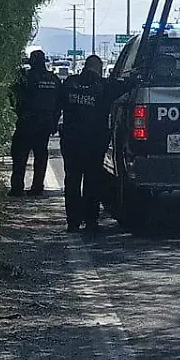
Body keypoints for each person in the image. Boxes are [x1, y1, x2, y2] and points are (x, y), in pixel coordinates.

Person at [56, 55, 134, 233]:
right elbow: (128, 86)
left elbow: (57, 105)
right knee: (92, 181)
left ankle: (73, 222)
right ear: (98, 69)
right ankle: (91, 220)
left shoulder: (69, 83)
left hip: (71, 141)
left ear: (85, 66)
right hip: (94, 142)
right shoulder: (105, 86)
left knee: (72, 180)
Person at [10, 50, 60, 196]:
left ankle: (17, 188)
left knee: (19, 155)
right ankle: (37, 187)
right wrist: (54, 122)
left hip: (27, 123)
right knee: (40, 156)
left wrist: (19, 113)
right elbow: (59, 104)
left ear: (32, 62)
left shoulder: (26, 78)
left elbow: (14, 97)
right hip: (45, 124)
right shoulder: (54, 79)